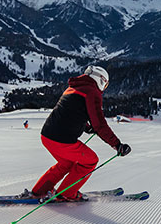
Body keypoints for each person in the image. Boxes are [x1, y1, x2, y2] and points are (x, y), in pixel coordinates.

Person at [29, 65, 132, 202]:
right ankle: (67, 194)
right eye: (105, 84)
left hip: (47, 135)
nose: (104, 88)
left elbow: (70, 112)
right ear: (101, 80)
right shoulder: (92, 92)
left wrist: (86, 126)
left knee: (66, 164)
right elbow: (100, 124)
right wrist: (117, 145)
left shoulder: (74, 87)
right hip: (62, 140)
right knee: (90, 161)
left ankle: (39, 191)